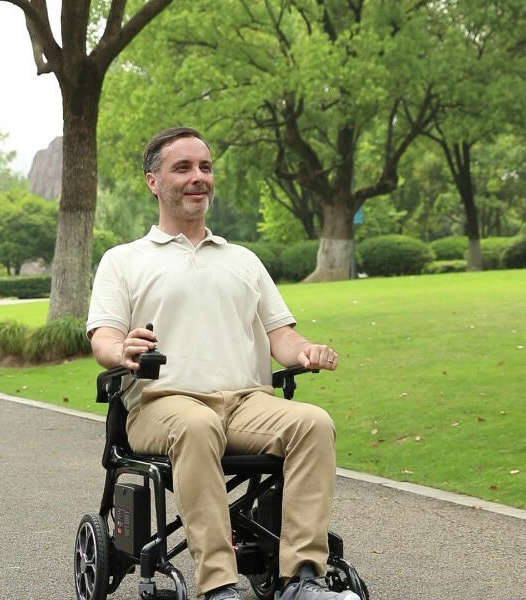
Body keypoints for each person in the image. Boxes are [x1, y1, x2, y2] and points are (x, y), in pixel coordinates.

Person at [87, 127, 359, 600]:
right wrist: (122, 350)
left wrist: (307, 351)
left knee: (313, 423)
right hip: (161, 403)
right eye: (183, 168)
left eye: (205, 168)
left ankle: (301, 579)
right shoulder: (123, 260)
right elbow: (104, 338)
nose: (199, 178)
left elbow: (282, 337)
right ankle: (218, 587)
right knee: (195, 425)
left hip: (245, 402)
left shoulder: (243, 260)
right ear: (153, 181)